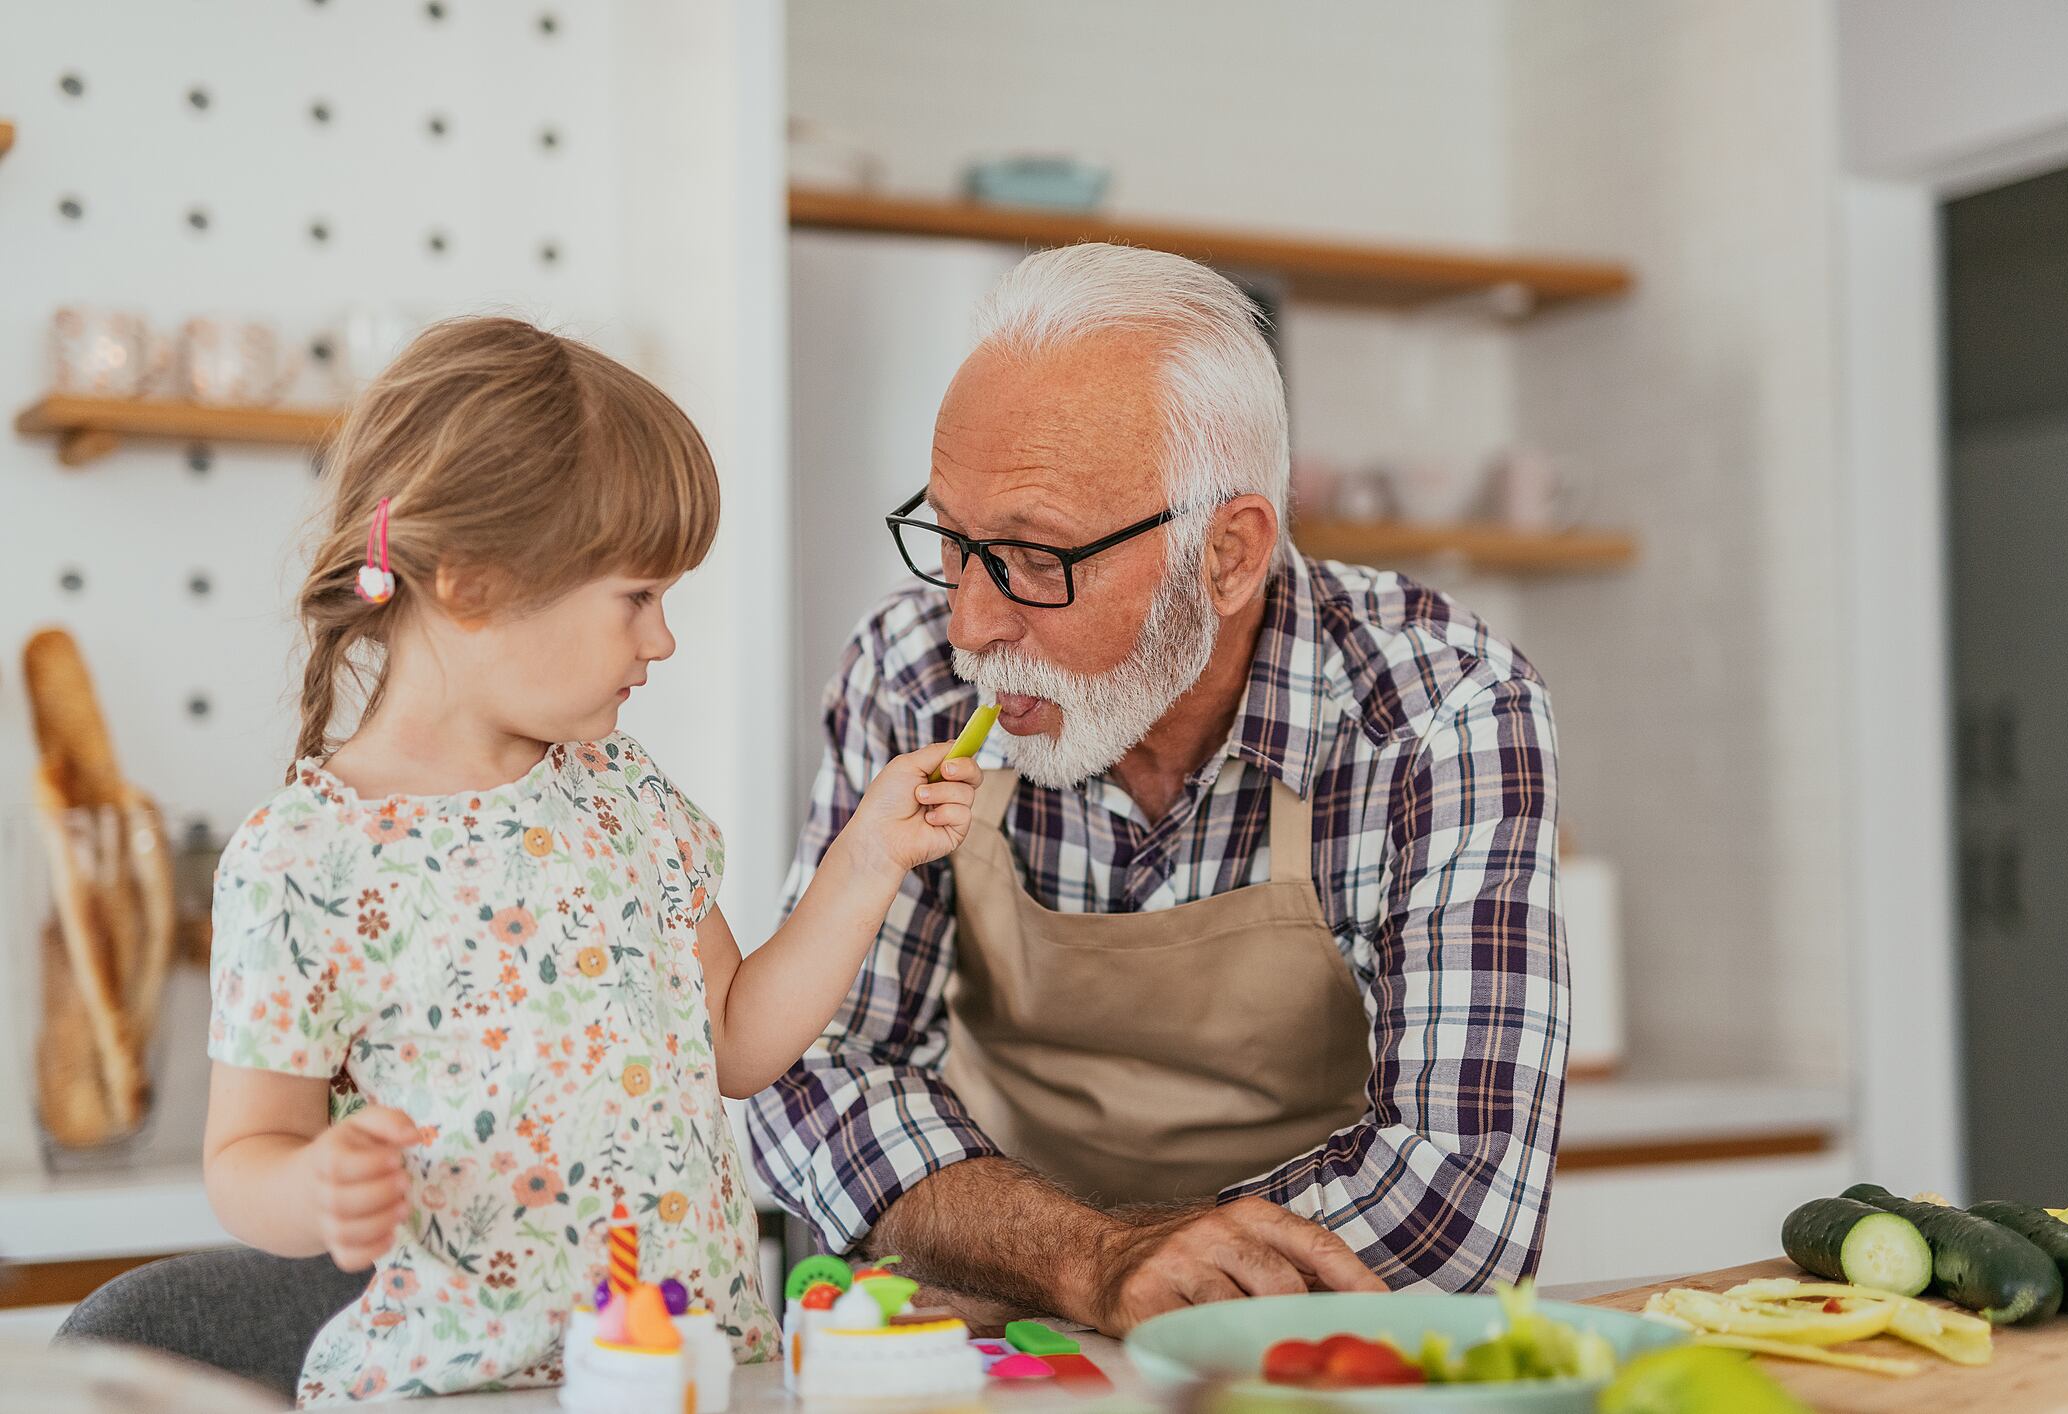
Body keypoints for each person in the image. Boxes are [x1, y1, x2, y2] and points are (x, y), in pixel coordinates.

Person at [747, 244, 1569, 1334]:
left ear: (1227, 555)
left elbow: (1460, 1197)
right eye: (950, 542)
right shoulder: (910, 673)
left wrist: (1132, 1270)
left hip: (1303, 1362)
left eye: (1038, 558)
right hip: (1015, 1336)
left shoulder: (1444, 712)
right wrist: (1089, 1261)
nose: (970, 625)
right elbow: (817, 1070)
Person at [200, 317, 981, 1405]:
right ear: (470, 583)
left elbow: (739, 1042)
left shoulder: (622, 790)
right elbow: (244, 1154)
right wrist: (312, 1186)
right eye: (636, 597)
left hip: (692, 1374)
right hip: (462, 1389)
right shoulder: (303, 858)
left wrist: (869, 858)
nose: (662, 640)